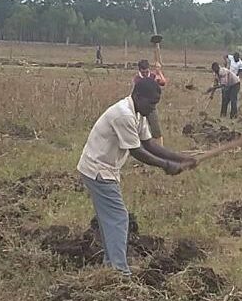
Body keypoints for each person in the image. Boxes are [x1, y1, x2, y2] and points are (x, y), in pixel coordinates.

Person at [77, 77, 197, 276]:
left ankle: (112, 264)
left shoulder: (139, 114)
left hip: (105, 168)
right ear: (137, 96)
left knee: (109, 218)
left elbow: (149, 144)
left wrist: (182, 158)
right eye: (151, 103)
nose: (153, 108)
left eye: (156, 104)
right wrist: (167, 165)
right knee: (118, 218)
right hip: (98, 169)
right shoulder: (123, 115)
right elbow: (137, 151)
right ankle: (119, 271)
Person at [132, 58, 167, 143]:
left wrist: (159, 72)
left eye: (146, 72)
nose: (144, 74)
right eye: (142, 72)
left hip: (151, 107)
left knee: (156, 130)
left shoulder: (153, 76)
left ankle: (160, 150)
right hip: (139, 107)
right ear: (139, 70)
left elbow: (163, 82)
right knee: (138, 129)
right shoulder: (137, 79)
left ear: (149, 69)